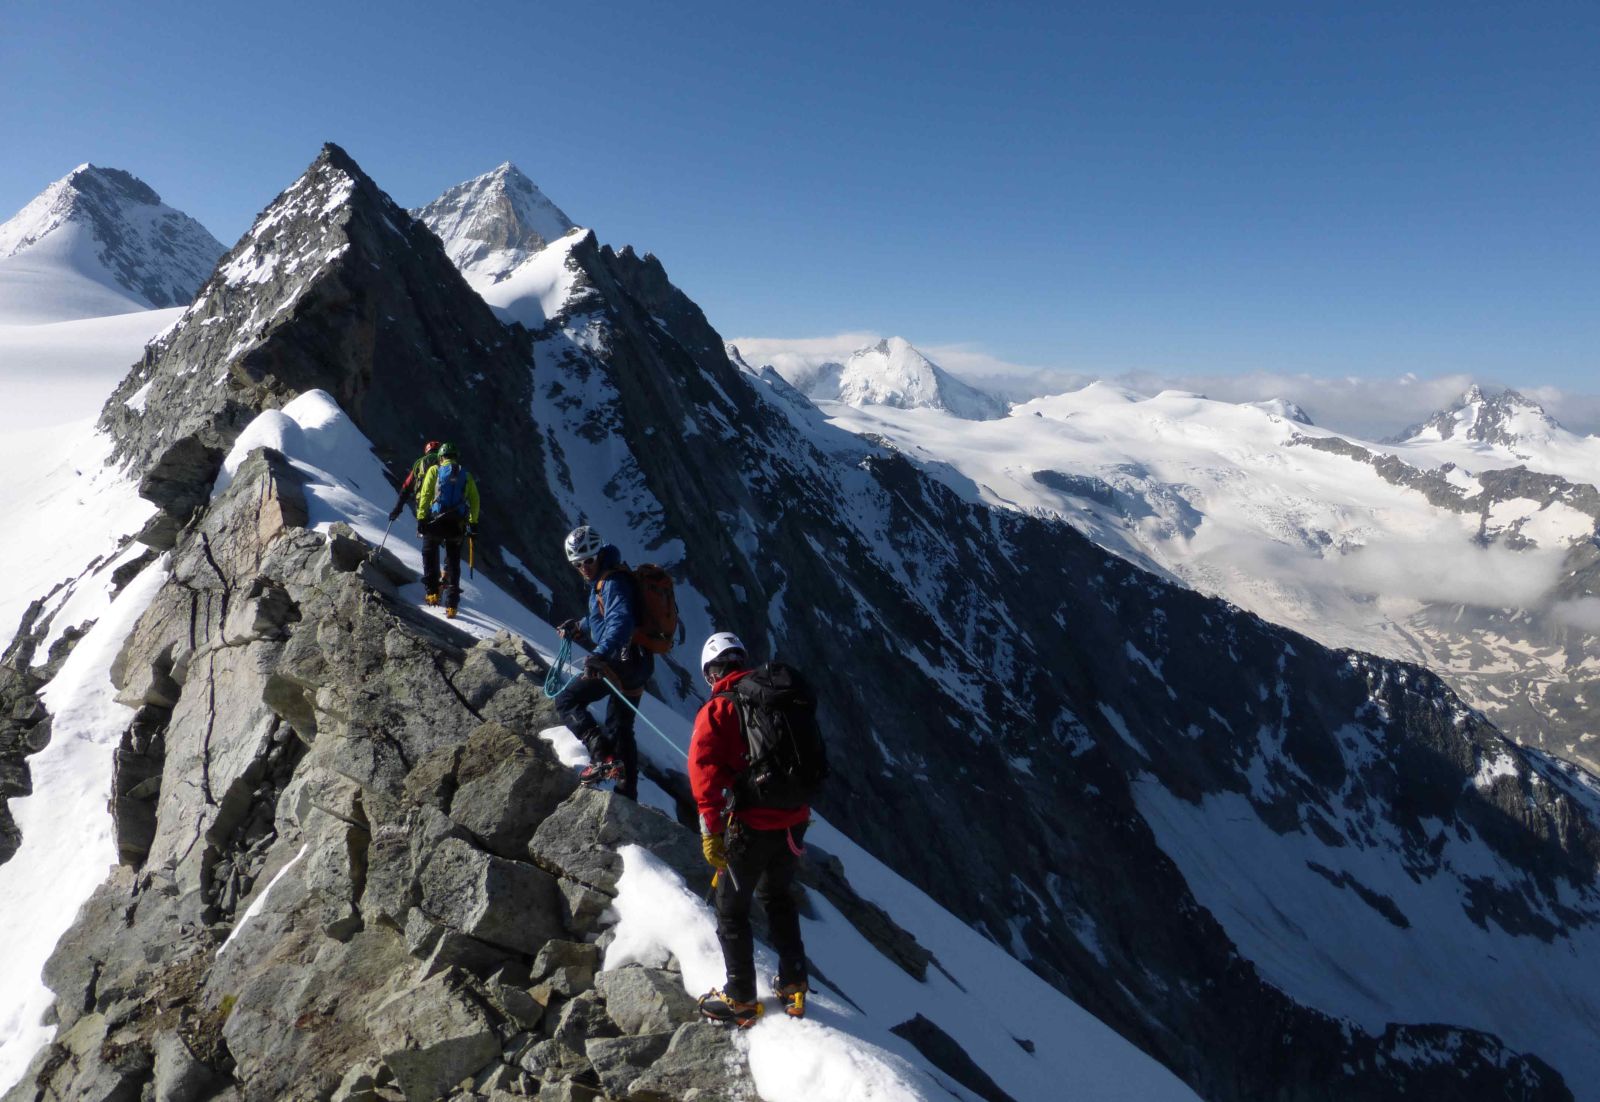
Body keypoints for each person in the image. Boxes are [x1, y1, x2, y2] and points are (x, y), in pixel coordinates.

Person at [690, 632, 811, 1027]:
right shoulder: (779, 697)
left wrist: (711, 832)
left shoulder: (719, 709)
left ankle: (740, 997)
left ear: (712, 673)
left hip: (751, 825)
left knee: (731, 909)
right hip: (794, 819)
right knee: (779, 897)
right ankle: (794, 984)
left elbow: (704, 776)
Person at [553, 525, 653, 799]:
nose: (584, 567)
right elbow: (604, 617)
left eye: (588, 561)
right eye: (578, 563)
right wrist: (580, 627)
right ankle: (626, 792)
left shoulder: (611, 582)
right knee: (620, 725)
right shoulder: (610, 576)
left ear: (598, 555)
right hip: (638, 662)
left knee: (567, 701)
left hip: (618, 660)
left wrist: (600, 654)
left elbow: (619, 621)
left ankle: (602, 757)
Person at [414, 442, 480, 618]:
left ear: (441, 457)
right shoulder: (466, 475)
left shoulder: (434, 471)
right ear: (456, 457)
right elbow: (474, 500)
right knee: (453, 562)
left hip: (436, 521)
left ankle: (432, 592)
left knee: (429, 553)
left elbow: (426, 494)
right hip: (456, 524)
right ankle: (452, 605)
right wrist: (473, 523)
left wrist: (421, 517)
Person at [388, 439, 441, 523]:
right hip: (444, 505)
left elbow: (406, 487)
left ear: (427, 451)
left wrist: (397, 510)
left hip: (423, 504)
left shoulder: (420, 463)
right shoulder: (446, 463)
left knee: (427, 530)